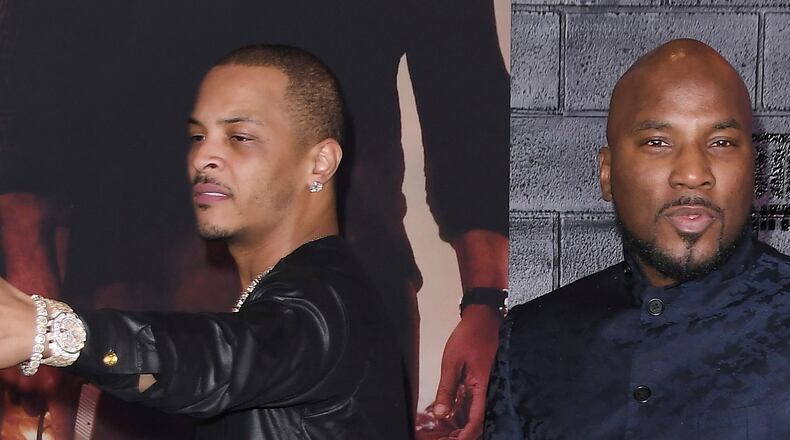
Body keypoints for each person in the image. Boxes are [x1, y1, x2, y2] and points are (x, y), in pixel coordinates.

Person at [0, 3, 508, 437]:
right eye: (198, 136)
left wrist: (52, 332)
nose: (205, 159)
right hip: (131, 272)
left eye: (239, 137)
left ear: (321, 160)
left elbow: (220, 363)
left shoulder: (327, 309)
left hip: (294, 274)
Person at [484, 39, 790, 439]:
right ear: (607, 173)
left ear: (755, 169)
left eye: (721, 143)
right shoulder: (530, 338)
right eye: (657, 142)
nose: (694, 172)